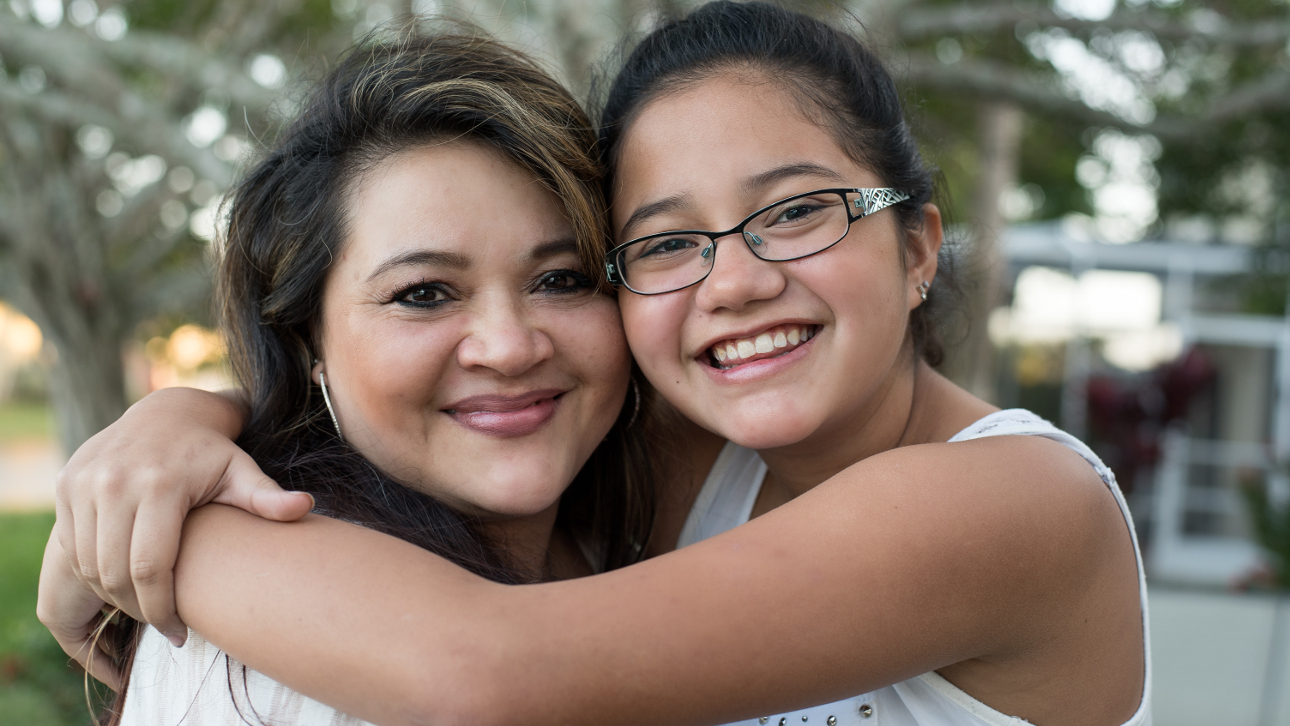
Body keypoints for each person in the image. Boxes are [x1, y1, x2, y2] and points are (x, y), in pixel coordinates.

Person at [42, 4, 1150, 726]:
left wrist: (168, 533)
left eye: (798, 212)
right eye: (667, 243)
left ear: (917, 247)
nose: (735, 282)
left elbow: (489, 671)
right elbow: (452, 388)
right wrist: (188, 420)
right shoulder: (675, 455)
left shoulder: (1016, 503)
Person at [38, 28, 672, 725]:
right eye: (423, 293)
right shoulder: (265, 664)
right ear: (308, 340)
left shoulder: (641, 523)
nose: (511, 347)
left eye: (562, 279)